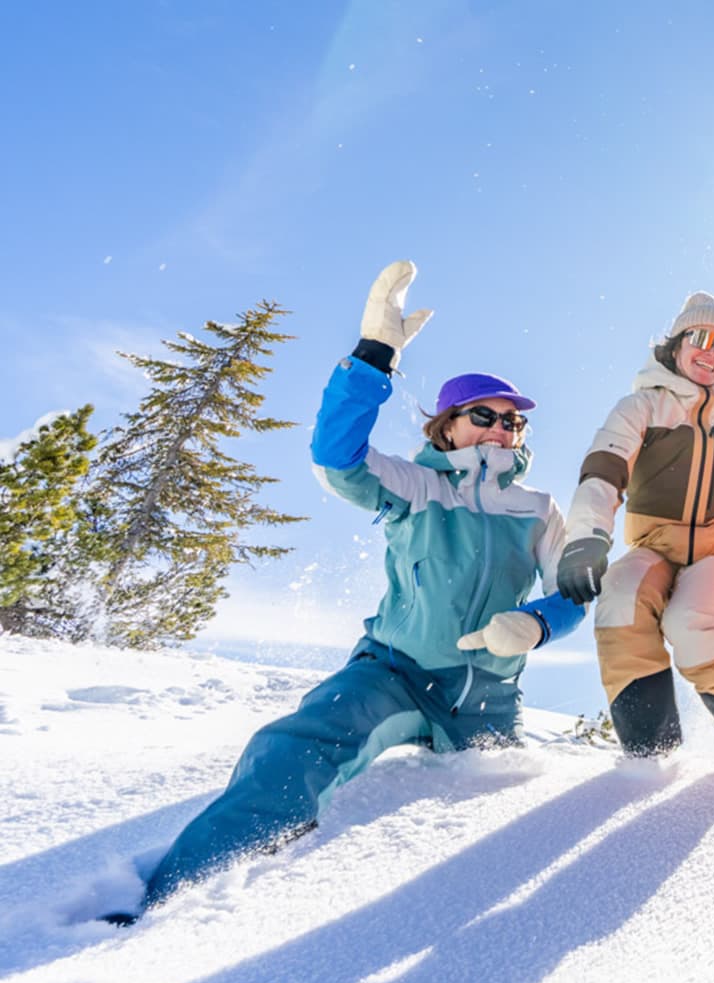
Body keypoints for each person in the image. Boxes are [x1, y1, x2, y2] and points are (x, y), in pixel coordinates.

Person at [119, 261, 583, 920]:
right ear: (447, 425)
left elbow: (574, 588)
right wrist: (373, 359)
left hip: (486, 695)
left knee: (497, 809)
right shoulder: (416, 485)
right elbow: (336, 459)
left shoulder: (536, 507)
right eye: (486, 415)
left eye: (514, 424)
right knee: (295, 747)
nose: (502, 431)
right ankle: (173, 896)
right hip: (393, 671)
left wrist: (536, 625)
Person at [555, 292, 714, 759]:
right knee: (620, 597)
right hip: (656, 545)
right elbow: (605, 466)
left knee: (691, 621)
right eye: (702, 338)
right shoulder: (642, 407)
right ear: (676, 343)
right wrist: (588, 535)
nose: (713, 352)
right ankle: (650, 755)